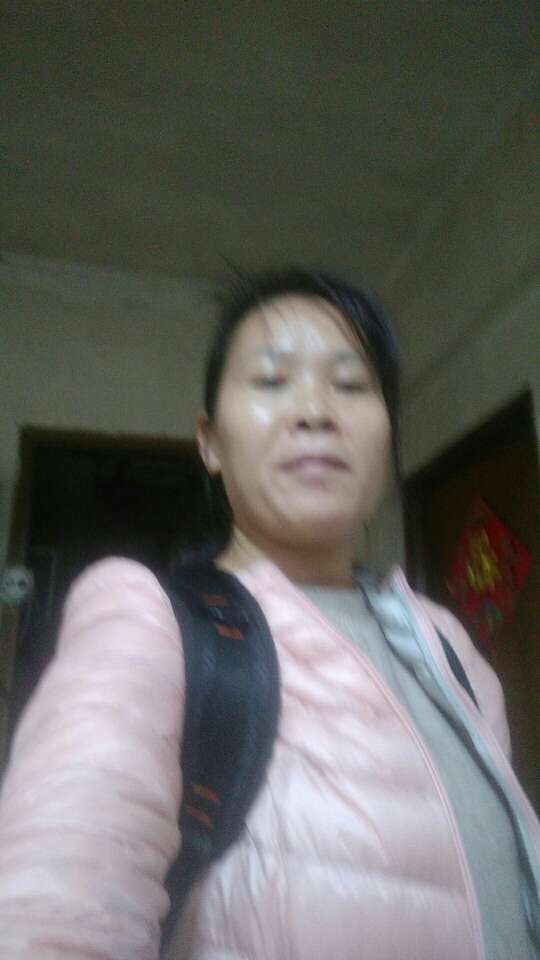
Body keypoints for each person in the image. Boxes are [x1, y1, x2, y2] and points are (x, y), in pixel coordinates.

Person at [0, 268, 538, 960]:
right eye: (272, 381)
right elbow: (50, 925)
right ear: (210, 443)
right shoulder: (148, 620)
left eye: (351, 385)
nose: (315, 411)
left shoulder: (447, 642)